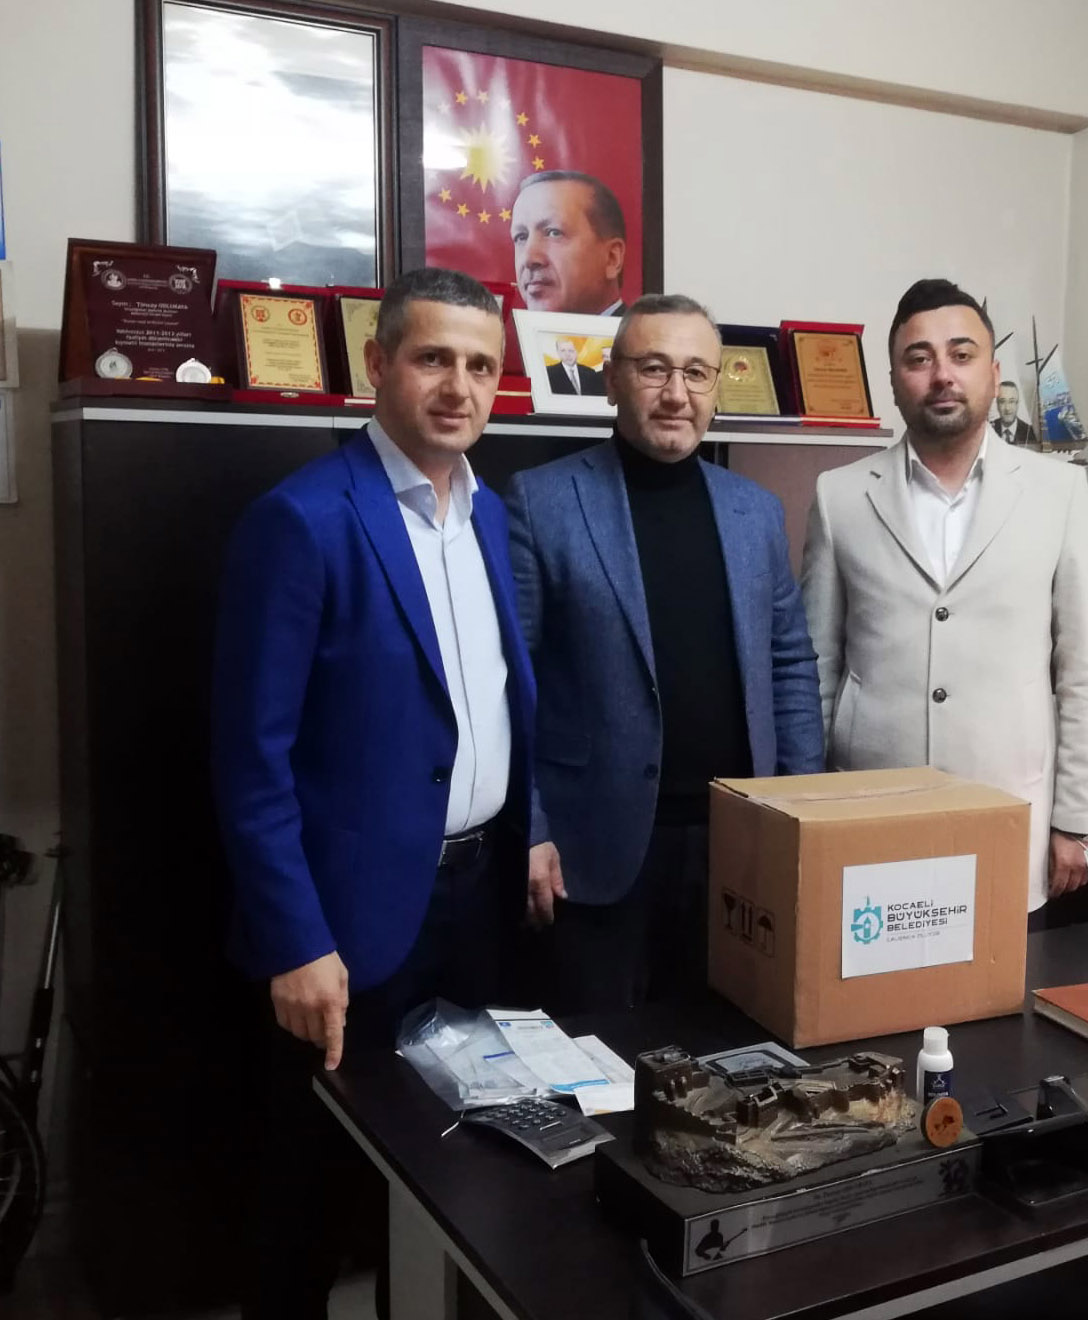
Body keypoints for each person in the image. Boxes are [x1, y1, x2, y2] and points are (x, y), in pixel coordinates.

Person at [212, 266, 536, 1318]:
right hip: (347, 927)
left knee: (457, 1176)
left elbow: (490, 702)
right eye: (433, 358)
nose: (459, 386)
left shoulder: (489, 516)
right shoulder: (303, 520)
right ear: (377, 364)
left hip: (478, 904)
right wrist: (295, 941)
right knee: (306, 1193)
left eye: (480, 365)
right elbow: (250, 759)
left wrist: (529, 833)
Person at [505, 293, 823, 1012]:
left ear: (716, 386)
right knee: (599, 1055)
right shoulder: (542, 500)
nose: (676, 393)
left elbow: (789, 666)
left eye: (696, 373)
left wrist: (803, 809)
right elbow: (510, 684)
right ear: (611, 380)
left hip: (738, 844)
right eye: (653, 369)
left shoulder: (754, 510)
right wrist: (530, 828)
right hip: (593, 847)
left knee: (730, 1048)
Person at [800, 278, 1088, 926]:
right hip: (868, 807)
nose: (942, 373)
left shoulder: (1059, 495)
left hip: (1009, 811)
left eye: (961, 354)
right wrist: (808, 806)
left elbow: (1084, 669)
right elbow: (817, 668)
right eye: (918, 358)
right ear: (894, 380)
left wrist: (1078, 818)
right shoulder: (838, 496)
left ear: (993, 373)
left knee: (1003, 984)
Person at [510, 169, 627, 315]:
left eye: (554, 233)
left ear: (612, 258)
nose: (529, 259)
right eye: (521, 237)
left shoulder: (640, 331)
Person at [993, 379, 1038, 447]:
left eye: (1011, 401)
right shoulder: (989, 429)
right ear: (997, 404)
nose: (1007, 408)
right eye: (1002, 401)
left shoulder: (1029, 432)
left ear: (1017, 404)